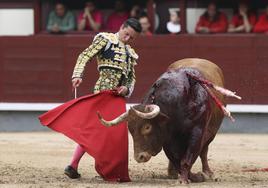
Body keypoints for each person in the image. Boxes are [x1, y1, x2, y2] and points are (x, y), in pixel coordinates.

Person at [64, 18, 142, 179]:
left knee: (115, 136)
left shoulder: (130, 53)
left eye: (132, 38)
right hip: (102, 94)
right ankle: (74, 165)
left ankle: (105, 169)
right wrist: (78, 74)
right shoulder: (106, 40)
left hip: (118, 99)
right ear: (121, 27)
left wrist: (126, 88)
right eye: (126, 34)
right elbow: (85, 55)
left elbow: (131, 79)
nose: (127, 39)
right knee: (96, 131)